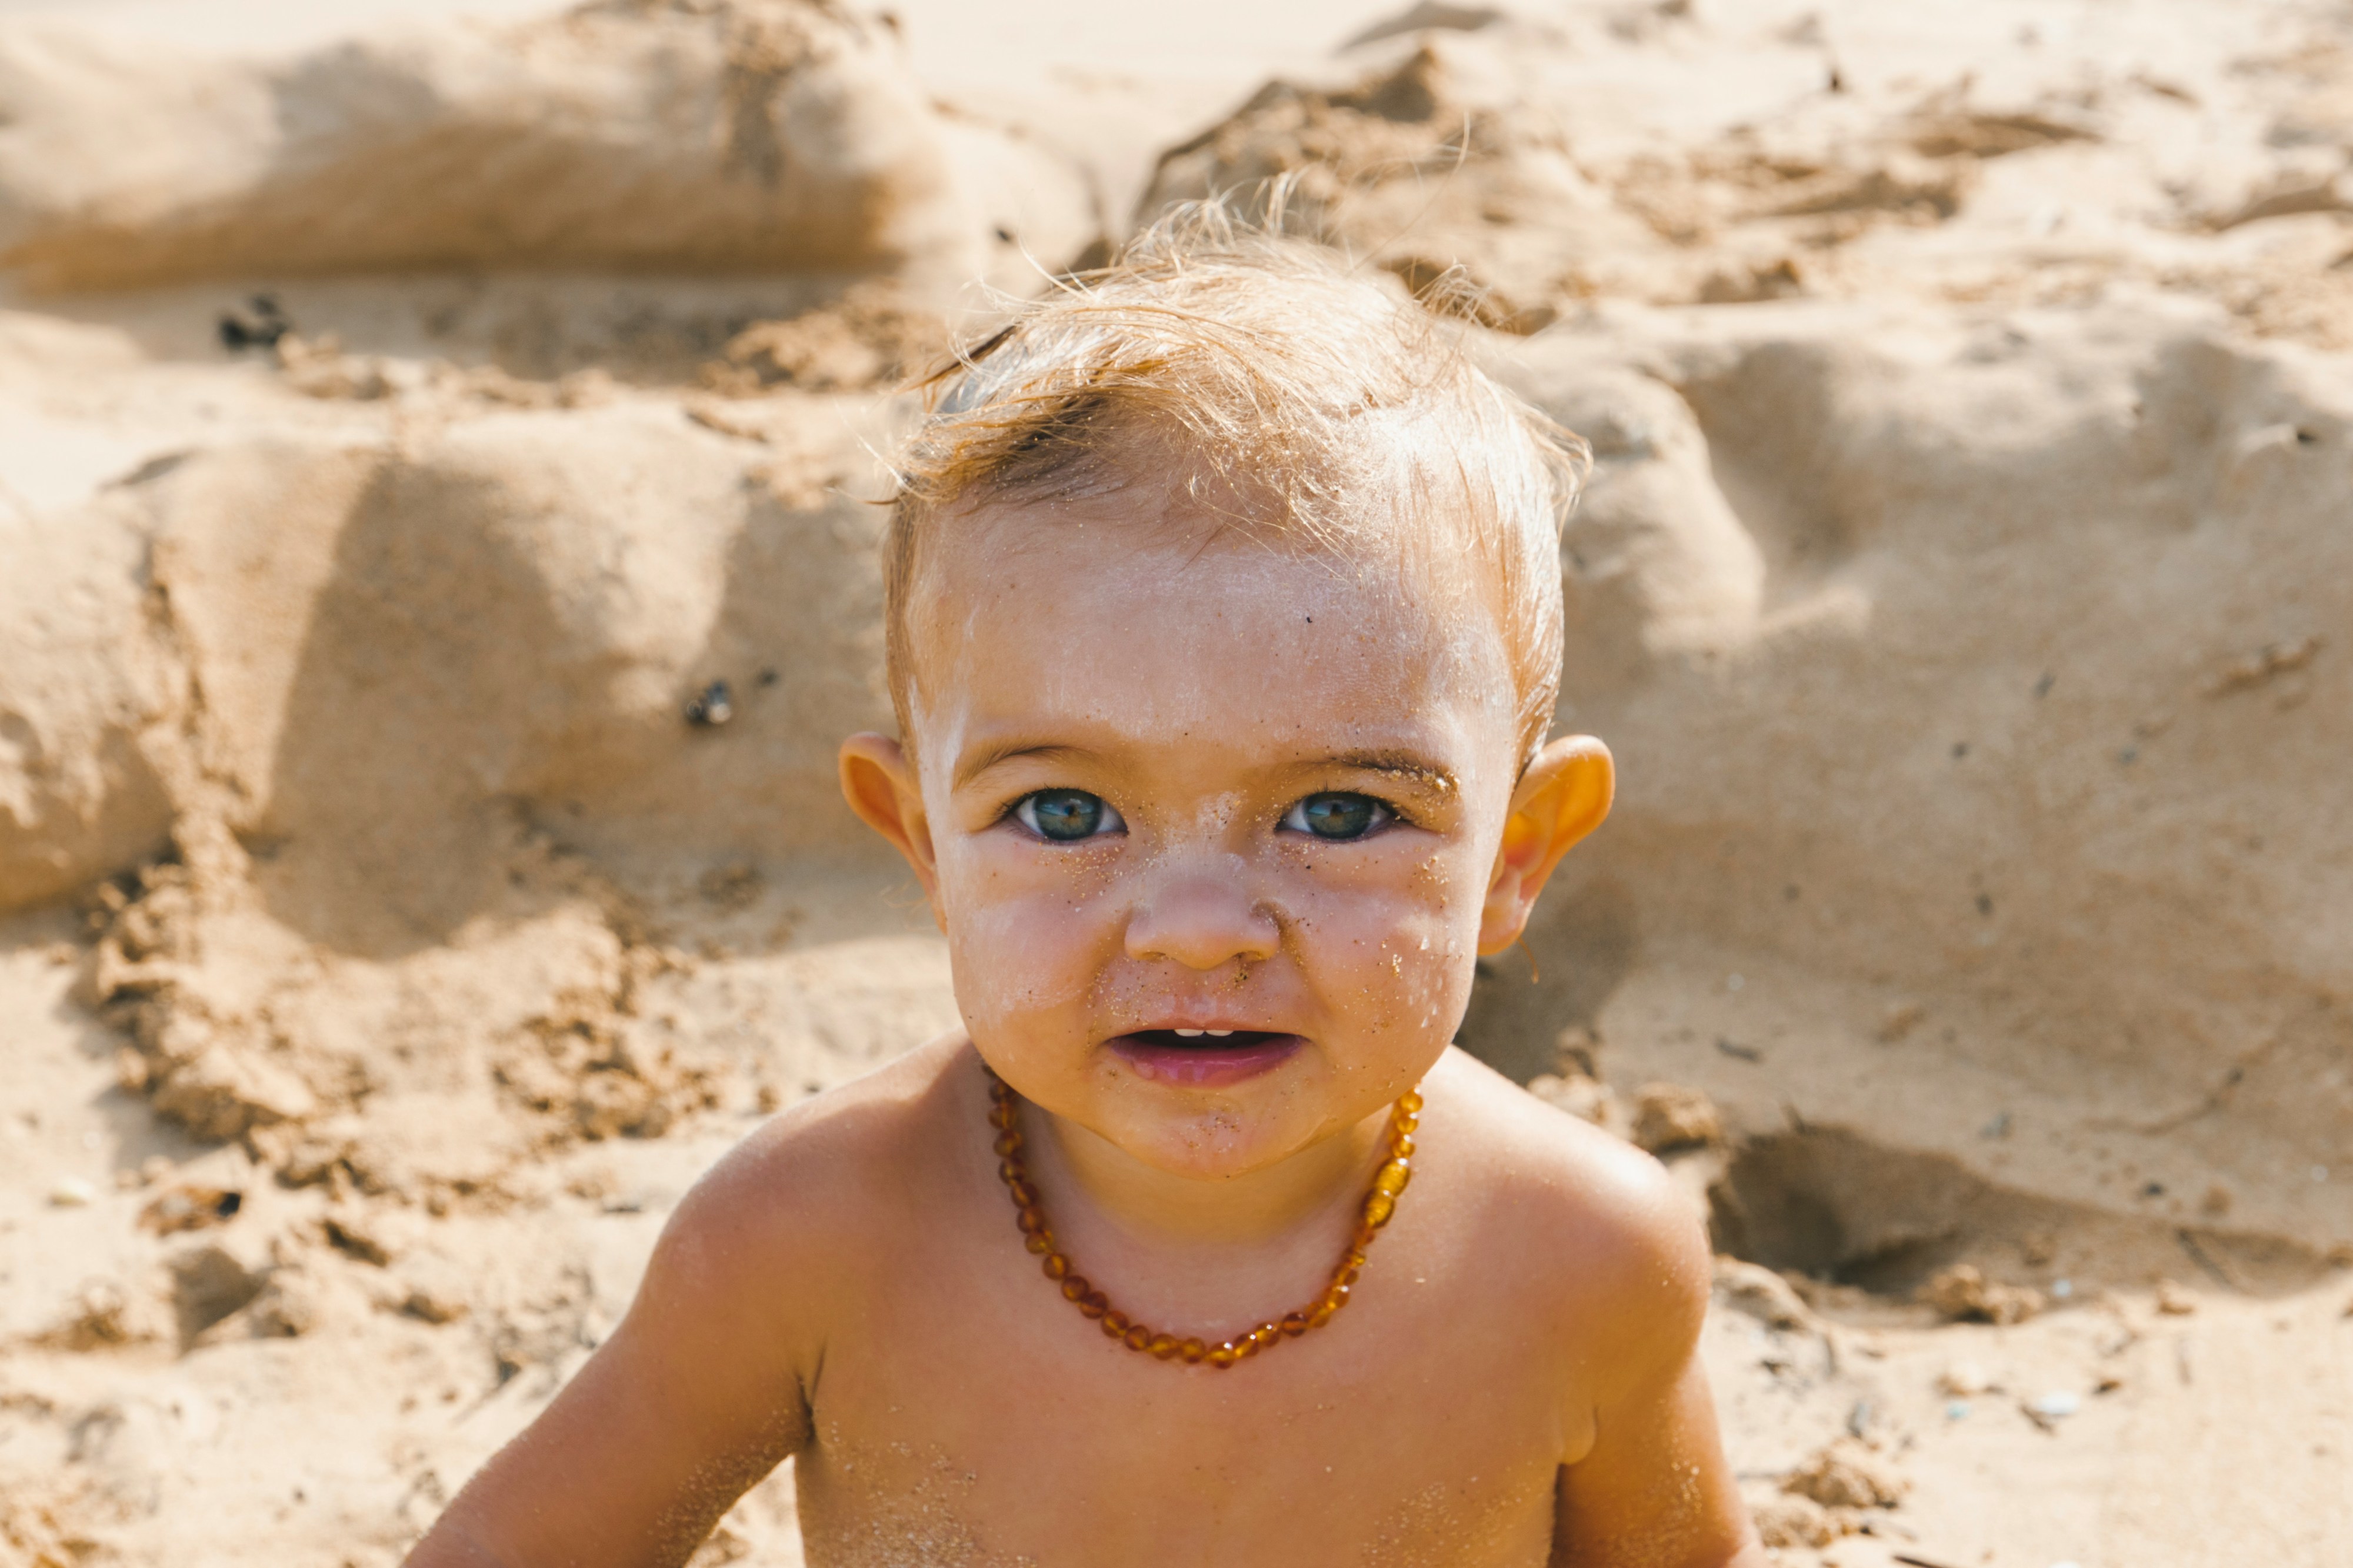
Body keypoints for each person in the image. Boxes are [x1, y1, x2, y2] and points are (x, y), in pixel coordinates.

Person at [405, 211, 1764, 1568]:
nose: (1196, 928)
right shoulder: (812, 1240)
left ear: (1514, 854)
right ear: (926, 843)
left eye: (1338, 812)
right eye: (1065, 813)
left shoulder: (1577, 1257)